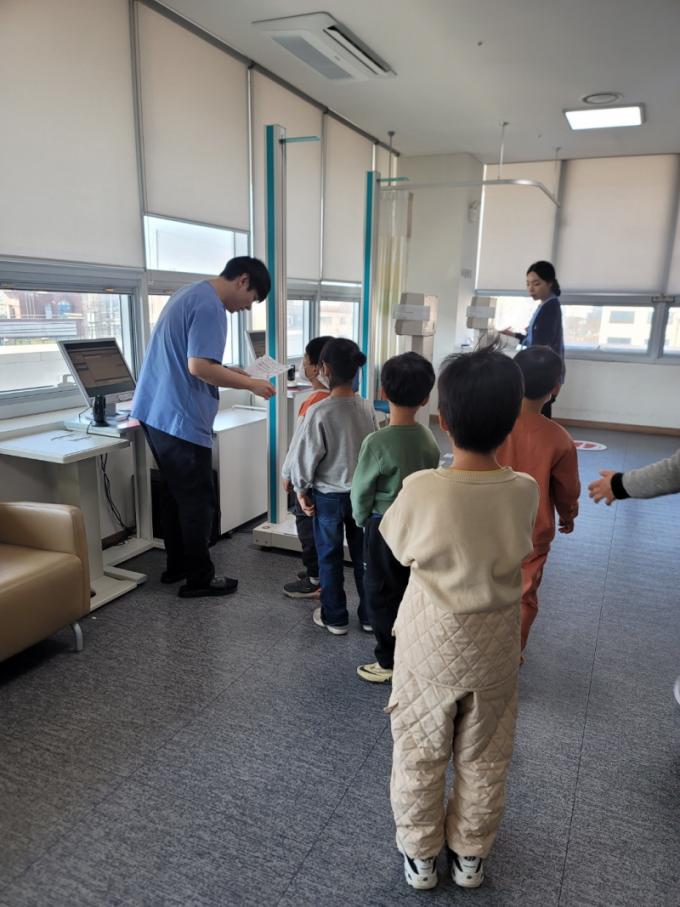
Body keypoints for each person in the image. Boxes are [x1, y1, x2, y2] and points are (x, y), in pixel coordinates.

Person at [379, 344, 538, 892]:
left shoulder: (423, 488)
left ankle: (421, 856)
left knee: (419, 752)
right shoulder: (524, 490)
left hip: (430, 645)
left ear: (442, 420)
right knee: (486, 756)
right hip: (495, 646)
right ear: (512, 421)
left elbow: (398, 546)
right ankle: (470, 855)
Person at [132, 257, 275, 598]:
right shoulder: (212, 307)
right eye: (252, 299)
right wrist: (251, 385)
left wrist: (231, 371)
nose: (246, 308)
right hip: (179, 417)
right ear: (243, 280)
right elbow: (198, 368)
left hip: (155, 410)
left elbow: (194, 358)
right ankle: (199, 579)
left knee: (175, 494)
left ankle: (178, 567)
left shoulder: (190, 293)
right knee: (198, 500)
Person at [350, 352, 440, 683]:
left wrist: (361, 519)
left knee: (380, 591)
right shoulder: (428, 437)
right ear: (426, 398)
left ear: (383, 393)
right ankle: (413, 649)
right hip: (418, 523)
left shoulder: (377, 441)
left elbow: (361, 490)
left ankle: (388, 661)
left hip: (383, 526)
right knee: (409, 588)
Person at [287, 338, 379, 635]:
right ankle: (369, 617)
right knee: (364, 559)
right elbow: (373, 450)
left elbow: (306, 456)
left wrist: (301, 490)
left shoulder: (319, 411)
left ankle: (335, 617)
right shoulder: (366, 407)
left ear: (325, 368)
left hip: (327, 497)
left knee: (329, 557)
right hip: (362, 496)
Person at [496, 345, 580, 655]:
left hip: (487, 525)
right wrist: (568, 515)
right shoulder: (560, 439)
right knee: (523, 596)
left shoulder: (491, 423)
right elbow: (567, 489)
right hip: (533, 533)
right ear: (555, 388)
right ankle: (511, 655)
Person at [280, 334, 333, 598]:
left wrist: (287, 473)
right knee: (322, 528)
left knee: (306, 527)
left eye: (304, 358)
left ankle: (314, 579)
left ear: (316, 368)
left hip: (308, 480)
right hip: (328, 480)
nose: (302, 364)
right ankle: (320, 570)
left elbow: (298, 445)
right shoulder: (337, 399)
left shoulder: (312, 402)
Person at [501, 260, 565, 418]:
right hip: (542, 369)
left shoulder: (550, 308)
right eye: (528, 284)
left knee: (538, 415)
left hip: (543, 371)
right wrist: (514, 335)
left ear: (549, 283)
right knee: (538, 415)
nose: (531, 289)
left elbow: (540, 347)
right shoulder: (544, 305)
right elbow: (534, 339)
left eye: (536, 284)